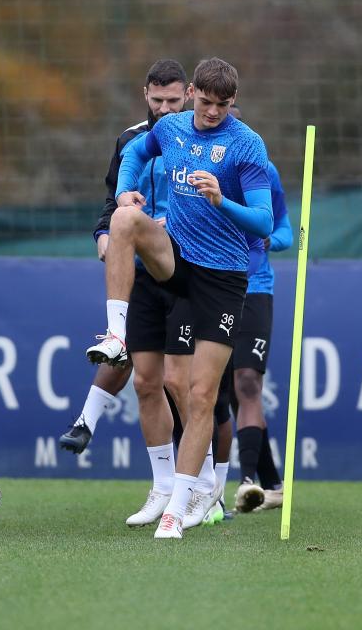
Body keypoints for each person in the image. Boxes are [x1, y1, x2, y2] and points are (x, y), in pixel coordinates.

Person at [99, 58, 272, 540]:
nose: (212, 112)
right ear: (192, 91)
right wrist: (128, 190)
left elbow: (261, 220)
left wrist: (223, 200)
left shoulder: (246, 145)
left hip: (222, 277)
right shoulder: (171, 127)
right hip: (178, 259)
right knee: (122, 222)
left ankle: (179, 506)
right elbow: (134, 152)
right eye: (206, 101)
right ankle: (116, 333)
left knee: (199, 393)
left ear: (233, 102)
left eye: (223, 105)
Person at [59, 59, 189, 457]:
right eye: (157, 100)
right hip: (141, 270)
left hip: (188, 266)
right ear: (144, 95)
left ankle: (213, 483)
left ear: (188, 97)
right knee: (143, 371)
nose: (165, 109)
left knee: (188, 386)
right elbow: (110, 198)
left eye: (173, 101)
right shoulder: (130, 141)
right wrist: (104, 235)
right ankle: (165, 486)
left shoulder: (198, 142)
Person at [232, 157, 292, 513]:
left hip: (255, 289)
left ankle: (247, 481)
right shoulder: (193, 164)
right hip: (211, 287)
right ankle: (272, 483)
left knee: (249, 382)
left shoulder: (263, 170)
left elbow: (285, 229)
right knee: (227, 394)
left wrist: (269, 239)